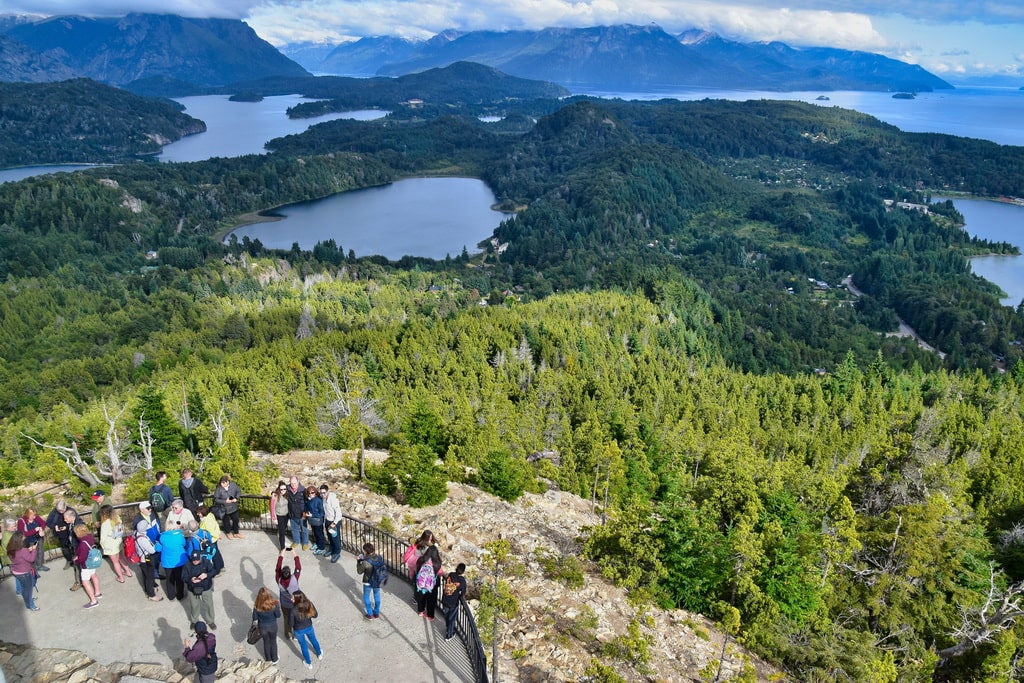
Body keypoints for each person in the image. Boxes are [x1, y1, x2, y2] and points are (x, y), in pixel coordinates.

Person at [134, 502, 163, 601]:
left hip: (146, 554)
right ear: (142, 510)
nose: (150, 509)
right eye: (148, 508)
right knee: (148, 575)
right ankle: (151, 593)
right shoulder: (142, 537)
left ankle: (152, 582)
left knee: (148, 573)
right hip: (147, 555)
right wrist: (156, 546)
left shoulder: (139, 534)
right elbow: (151, 550)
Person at [182, 549, 217, 629]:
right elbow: (183, 577)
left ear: (200, 557)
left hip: (205, 587)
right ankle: (194, 621)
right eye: (194, 560)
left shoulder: (207, 562)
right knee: (194, 605)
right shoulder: (187, 565)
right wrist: (190, 580)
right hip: (192, 588)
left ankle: (210, 621)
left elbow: (214, 571)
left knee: (209, 605)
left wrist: (207, 575)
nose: (195, 562)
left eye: (197, 560)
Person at [7, 531, 40, 611]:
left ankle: (29, 599)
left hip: (16, 571)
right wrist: (34, 550)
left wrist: (28, 550)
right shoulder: (23, 550)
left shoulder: (10, 549)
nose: (24, 539)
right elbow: (31, 559)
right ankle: (30, 605)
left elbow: (20, 556)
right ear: (19, 540)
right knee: (28, 589)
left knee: (24, 588)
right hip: (24, 573)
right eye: (23, 538)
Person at [290, 590, 323, 669]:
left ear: (297, 600)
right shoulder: (309, 604)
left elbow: (291, 624)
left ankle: (309, 663)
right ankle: (319, 654)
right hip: (309, 627)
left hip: (298, 630)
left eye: (293, 598)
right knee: (313, 640)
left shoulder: (293, 610)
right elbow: (315, 615)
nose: (291, 599)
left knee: (303, 645)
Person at [99, 504, 132, 583]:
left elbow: (103, 538)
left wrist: (102, 545)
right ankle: (128, 572)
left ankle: (121, 578)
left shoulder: (105, 524)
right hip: (118, 542)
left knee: (115, 562)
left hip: (110, 545)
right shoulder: (117, 519)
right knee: (121, 557)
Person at [157, 523, 189, 601]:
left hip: (167, 563)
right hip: (179, 562)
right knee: (179, 579)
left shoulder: (162, 537)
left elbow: (158, 549)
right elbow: (184, 544)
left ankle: (171, 596)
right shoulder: (180, 536)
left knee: (169, 579)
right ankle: (180, 595)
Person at [276, 547, 302, 639]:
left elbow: (278, 567)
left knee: (286, 618)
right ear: (290, 573)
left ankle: (288, 634)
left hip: (284, 603)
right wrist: (294, 552)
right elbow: (298, 567)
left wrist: (281, 554)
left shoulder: (278, 579)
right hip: (295, 603)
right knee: (295, 618)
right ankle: (296, 634)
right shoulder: (294, 578)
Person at [73, 523, 101, 609]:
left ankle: (93, 601)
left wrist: (76, 560)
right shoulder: (89, 537)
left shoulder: (82, 544)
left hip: (86, 565)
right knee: (94, 575)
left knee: (85, 582)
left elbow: (82, 558)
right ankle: (98, 593)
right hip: (93, 562)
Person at [251, 586, 282, 663]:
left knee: (266, 642)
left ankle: (268, 659)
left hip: (262, 627)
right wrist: (278, 607)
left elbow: (255, 618)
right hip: (273, 626)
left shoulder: (256, 606)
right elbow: (278, 615)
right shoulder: (274, 604)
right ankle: (275, 659)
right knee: (273, 642)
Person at [356, 542, 385, 619]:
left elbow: (359, 571)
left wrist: (358, 561)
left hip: (368, 581)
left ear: (365, 551)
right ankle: (376, 612)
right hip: (377, 580)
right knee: (377, 596)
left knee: (366, 596)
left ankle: (370, 614)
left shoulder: (365, 562)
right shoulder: (379, 557)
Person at [414, 544, 443, 620]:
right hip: (432, 585)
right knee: (431, 600)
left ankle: (421, 611)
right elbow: (440, 573)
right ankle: (430, 616)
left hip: (421, 582)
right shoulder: (437, 563)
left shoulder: (421, 559)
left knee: (421, 597)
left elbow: (416, 568)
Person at [45, 501, 76, 569]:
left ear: (65, 507)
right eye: (59, 510)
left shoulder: (71, 511)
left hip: (71, 532)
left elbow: (75, 521)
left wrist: (67, 526)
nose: (61, 512)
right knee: (65, 548)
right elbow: (48, 522)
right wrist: (54, 526)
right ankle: (69, 560)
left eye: (62, 510)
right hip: (61, 534)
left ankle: (77, 560)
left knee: (75, 546)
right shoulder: (54, 512)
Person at [441, 562, 468, 640]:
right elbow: (463, 592)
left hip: (445, 598)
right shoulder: (462, 581)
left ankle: (448, 627)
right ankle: (449, 635)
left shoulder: (451, 574)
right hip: (453, 602)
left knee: (446, 615)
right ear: (463, 571)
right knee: (452, 618)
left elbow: (447, 582)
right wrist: (459, 596)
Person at [17, 507, 48, 572]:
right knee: (32, 554)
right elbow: (23, 534)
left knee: (40, 552)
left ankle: (40, 565)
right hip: (30, 541)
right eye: (32, 516)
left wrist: (41, 529)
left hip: (38, 538)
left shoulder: (35, 517)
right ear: (28, 515)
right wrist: (34, 530)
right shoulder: (21, 521)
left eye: (35, 515)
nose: (34, 517)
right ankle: (34, 569)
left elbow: (43, 523)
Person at [196, 505, 225, 575]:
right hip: (214, 539)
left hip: (211, 540)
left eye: (199, 513)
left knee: (214, 555)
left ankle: (217, 570)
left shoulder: (206, 522)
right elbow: (216, 525)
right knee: (217, 552)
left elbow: (210, 532)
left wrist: (217, 536)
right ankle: (221, 566)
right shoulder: (210, 515)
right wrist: (218, 534)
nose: (197, 514)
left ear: (202, 513)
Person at [62, 509, 86, 590]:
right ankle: (83, 581)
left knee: (78, 566)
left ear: (71, 517)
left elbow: (83, 540)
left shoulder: (79, 525)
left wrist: (79, 552)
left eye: (66, 518)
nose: (64, 520)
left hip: (78, 549)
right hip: (74, 547)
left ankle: (79, 582)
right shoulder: (71, 524)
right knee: (79, 566)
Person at [213, 475, 243, 539]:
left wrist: (236, 498)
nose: (222, 484)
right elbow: (216, 499)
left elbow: (238, 491)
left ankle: (236, 533)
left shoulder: (233, 485)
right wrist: (225, 501)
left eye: (224, 482)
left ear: (228, 482)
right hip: (224, 508)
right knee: (226, 522)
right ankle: (228, 533)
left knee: (236, 520)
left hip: (233, 507)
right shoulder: (218, 488)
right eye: (221, 482)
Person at [285, 476, 309, 550]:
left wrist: (305, 512)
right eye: (292, 483)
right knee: (294, 529)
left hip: (302, 514)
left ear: (298, 482)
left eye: (295, 483)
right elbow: (279, 490)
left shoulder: (303, 491)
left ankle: (305, 543)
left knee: (304, 529)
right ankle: (296, 541)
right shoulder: (287, 489)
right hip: (292, 514)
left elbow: (307, 502)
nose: (293, 485)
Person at [321, 483, 342, 563]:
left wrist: (335, 522)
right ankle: (331, 549)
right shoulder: (324, 499)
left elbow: (338, 513)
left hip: (334, 521)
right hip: (328, 520)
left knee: (335, 537)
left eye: (324, 493)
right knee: (330, 536)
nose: (323, 495)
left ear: (327, 492)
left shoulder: (333, 500)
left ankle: (337, 552)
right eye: (321, 493)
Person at [304, 486, 326, 555]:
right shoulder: (310, 500)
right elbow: (308, 507)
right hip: (312, 520)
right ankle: (317, 544)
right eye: (309, 493)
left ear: (315, 493)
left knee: (319, 534)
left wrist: (312, 515)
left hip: (318, 520)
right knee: (315, 533)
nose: (310, 494)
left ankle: (322, 548)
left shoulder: (318, 500)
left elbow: (321, 513)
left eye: (312, 493)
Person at [269, 481, 290, 550]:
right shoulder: (275, 496)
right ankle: (282, 547)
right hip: (279, 516)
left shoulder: (287, 495)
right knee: (282, 532)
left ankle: (282, 542)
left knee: (283, 530)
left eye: (284, 489)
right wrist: (274, 518)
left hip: (286, 515)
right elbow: (272, 507)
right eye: (281, 489)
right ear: (279, 489)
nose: (283, 491)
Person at [1, 519, 17, 594]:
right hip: (13, 560)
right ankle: (21, 591)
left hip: (11, 559)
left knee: (18, 576)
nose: (15, 527)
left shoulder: (8, 534)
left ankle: (20, 591)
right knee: (20, 577)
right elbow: (13, 550)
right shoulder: (8, 537)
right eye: (14, 526)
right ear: (9, 527)